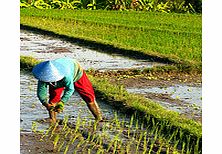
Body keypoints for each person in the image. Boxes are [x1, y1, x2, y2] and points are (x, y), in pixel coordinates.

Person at [32, 57, 103, 123]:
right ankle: (53, 119)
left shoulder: (67, 75)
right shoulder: (43, 77)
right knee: (53, 98)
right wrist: (47, 105)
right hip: (61, 73)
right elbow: (41, 93)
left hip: (76, 71)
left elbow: (70, 89)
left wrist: (62, 102)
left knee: (88, 96)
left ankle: (99, 118)